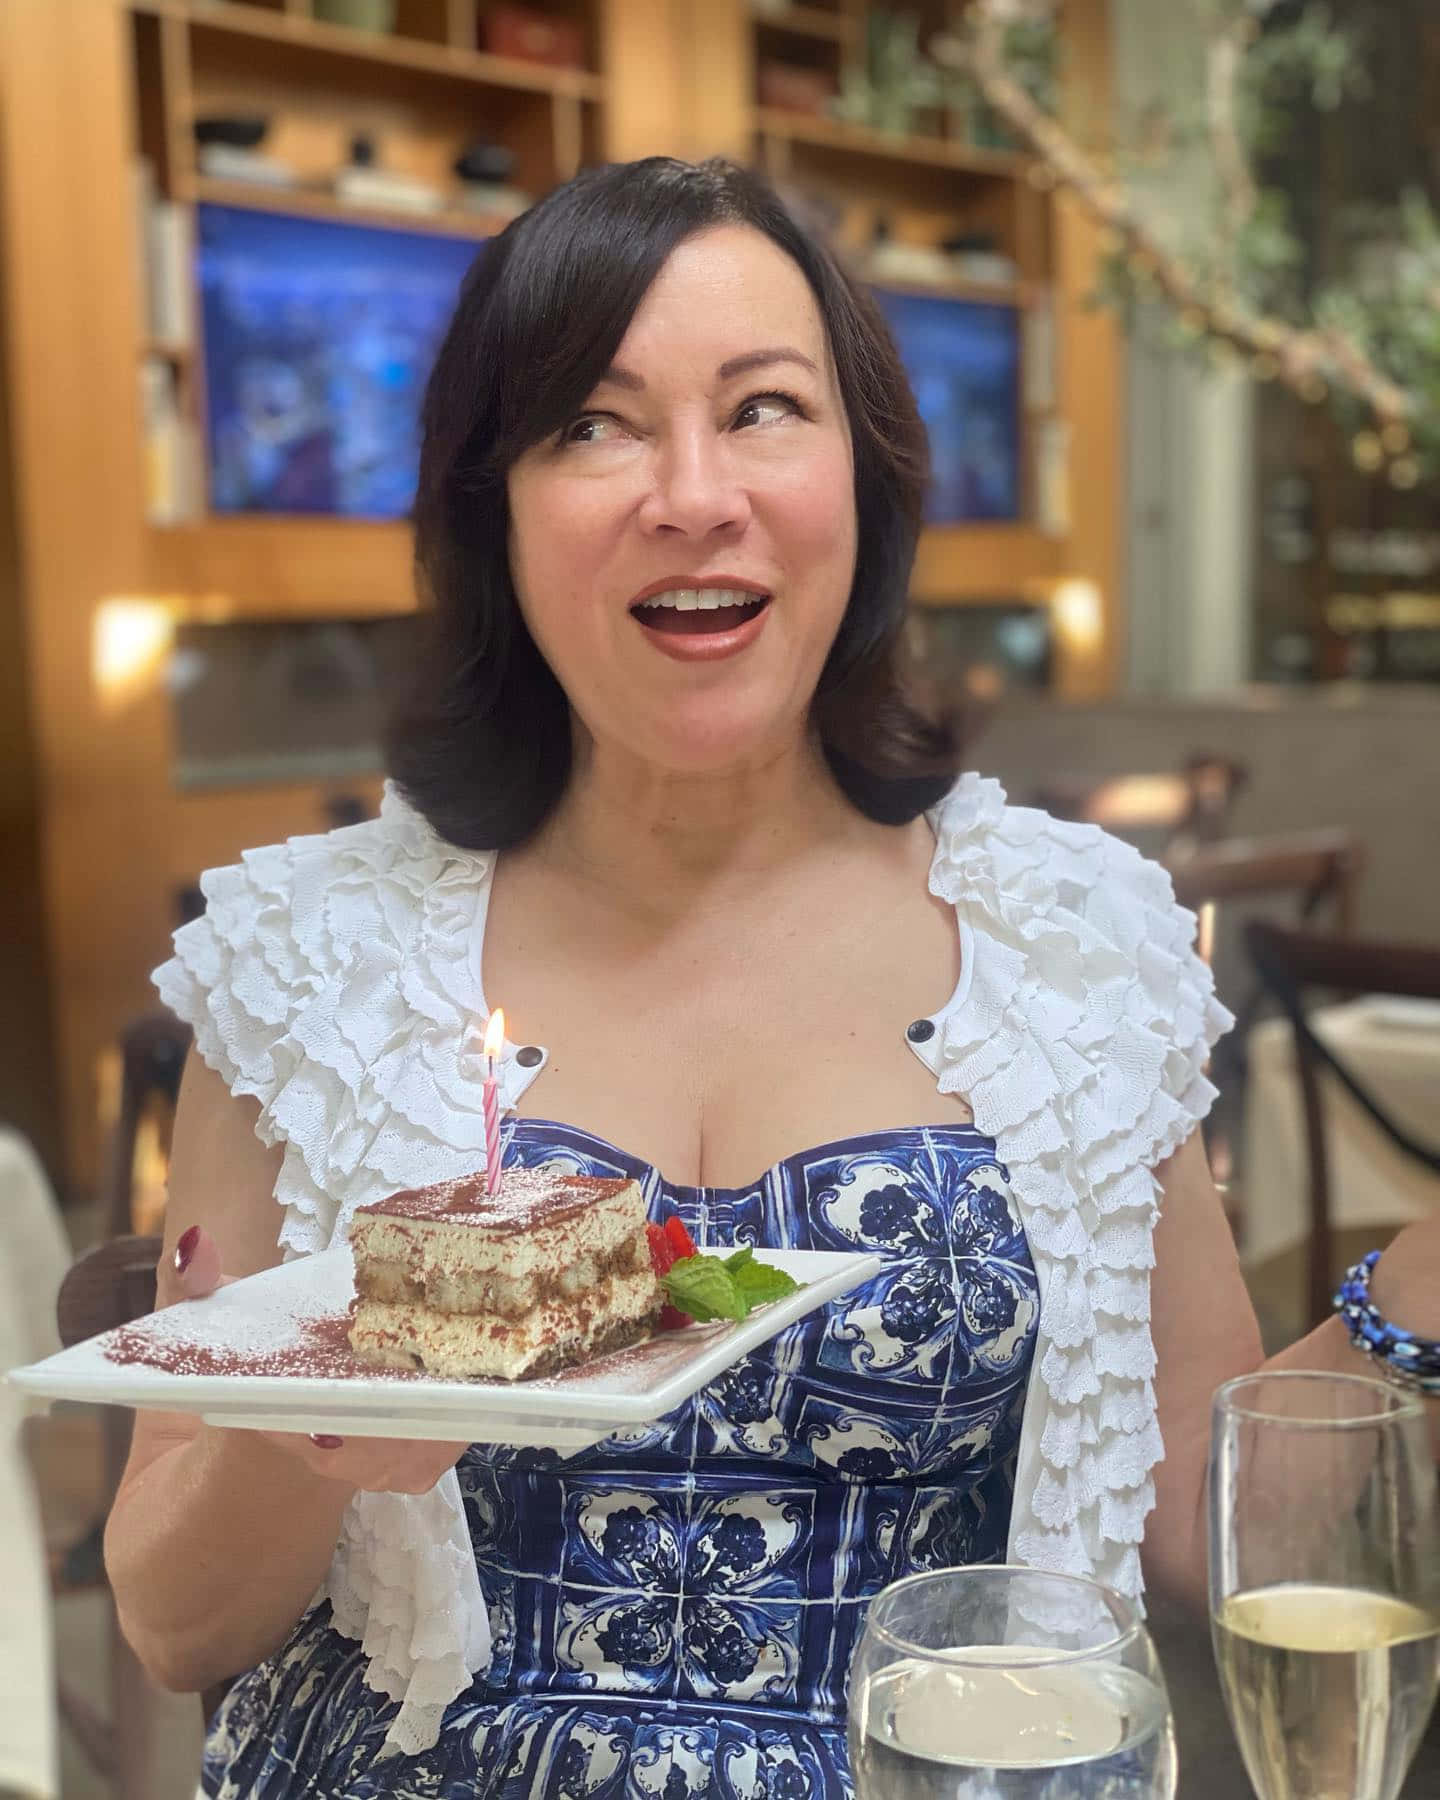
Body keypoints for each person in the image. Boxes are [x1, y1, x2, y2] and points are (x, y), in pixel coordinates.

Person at [104, 157, 1440, 1800]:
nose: (690, 492)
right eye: (591, 424)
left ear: (865, 482)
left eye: (763, 409)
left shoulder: (1074, 945)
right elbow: (175, 1627)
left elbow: (1199, 1529)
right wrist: (310, 1433)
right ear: (491, 510)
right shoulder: (313, 959)